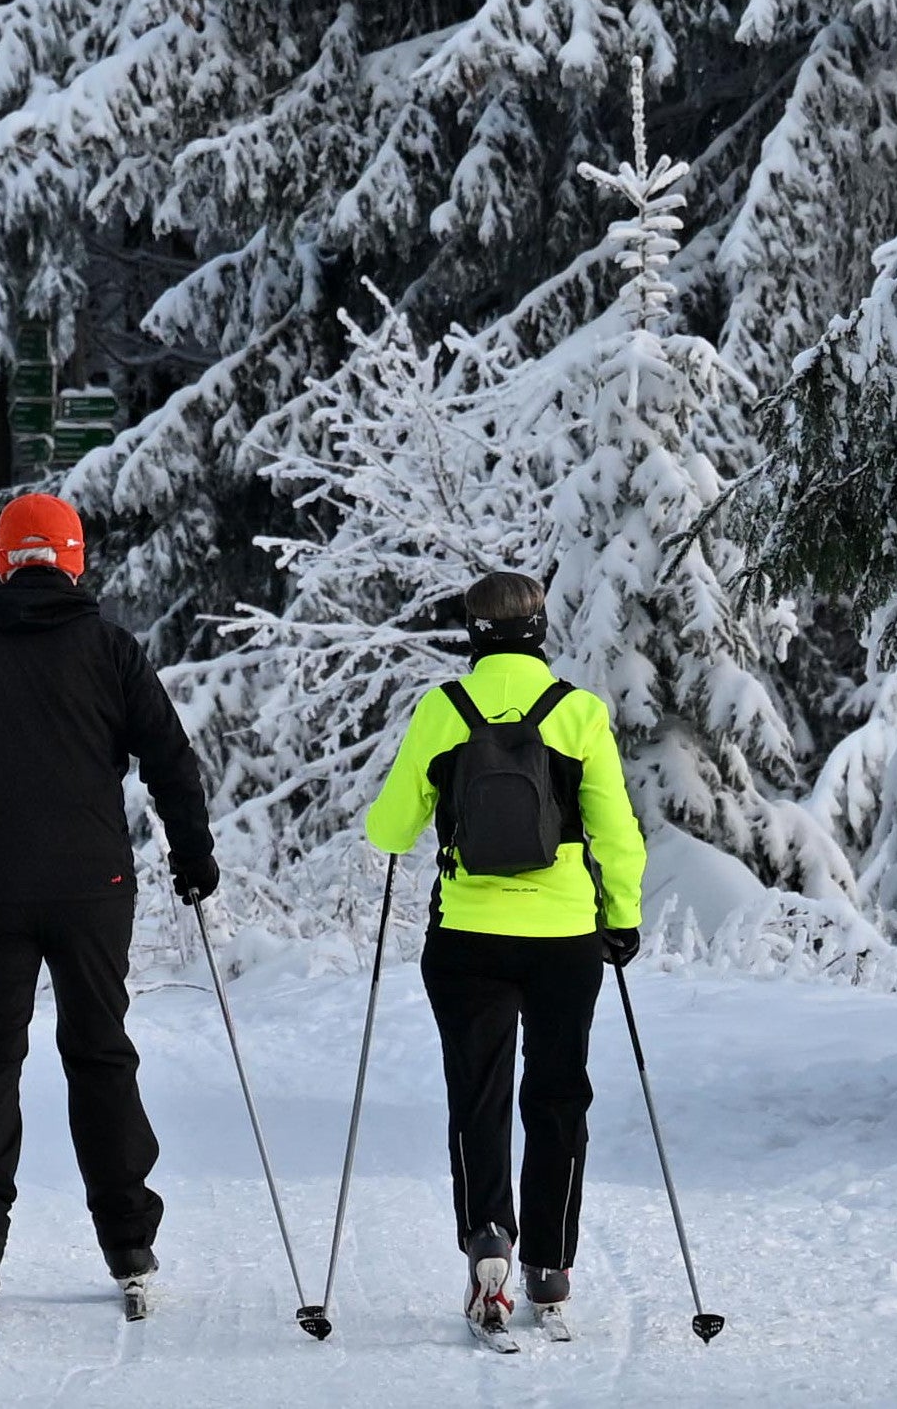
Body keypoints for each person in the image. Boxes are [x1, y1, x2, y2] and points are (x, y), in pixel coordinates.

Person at [0, 487, 217, 1336]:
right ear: (74, 558)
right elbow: (172, 761)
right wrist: (193, 859)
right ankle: (129, 1243)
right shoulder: (111, 650)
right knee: (100, 1053)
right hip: (94, 890)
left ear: (2, 560)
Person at [355, 568, 647, 1351]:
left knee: (476, 1097)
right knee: (558, 1097)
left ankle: (489, 1242)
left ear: (472, 631)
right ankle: (551, 1265)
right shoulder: (579, 713)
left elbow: (387, 829)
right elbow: (616, 832)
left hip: (467, 937)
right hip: (563, 938)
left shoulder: (442, 710)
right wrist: (619, 916)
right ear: (540, 629)